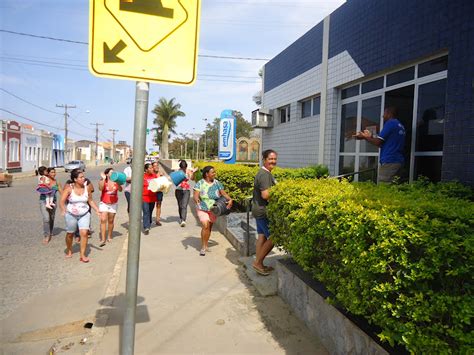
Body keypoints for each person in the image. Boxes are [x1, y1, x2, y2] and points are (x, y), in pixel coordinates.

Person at [354, 106, 406, 183]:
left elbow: (378, 142)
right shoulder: (400, 125)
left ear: (389, 114)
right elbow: (382, 144)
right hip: (398, 161)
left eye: (384, 113)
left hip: (389, 161)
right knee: (393, 188)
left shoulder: (390, 124)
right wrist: (370, 137)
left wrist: (365, 137)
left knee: (383, 188)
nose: (382, 116)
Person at [60, 169, 100, 263]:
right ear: (75, 179)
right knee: (70, 234)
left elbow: (90, 200)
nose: (83, 178)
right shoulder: (69, 189)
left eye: (83, 176)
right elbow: (62, 201)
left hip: (84, 214)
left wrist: (97, 210)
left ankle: (82, 255)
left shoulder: (87, 188)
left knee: (84, 233)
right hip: (71, 214)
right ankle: (69, 250)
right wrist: (63, 209)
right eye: (81, 177)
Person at [193, 166, 232, 256]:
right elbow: (195, 195)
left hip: (214, 209)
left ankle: (206, 244)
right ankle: (203, 247)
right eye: (212, 172)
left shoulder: (217, 183)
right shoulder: (200, 183)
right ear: (207, 174)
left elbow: (223, 193)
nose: (214, 174)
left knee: (209, 227)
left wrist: (230, 199)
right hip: (202, 207)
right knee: (205, 225)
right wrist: (196, 200)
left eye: (215, 172)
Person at [252, 149, 278, 276]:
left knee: (262, 236)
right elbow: (266, 195)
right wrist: (279, 193)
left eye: (274, 159)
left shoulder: (264, 173)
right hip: (263, 211)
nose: (273, 161)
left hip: (258, 209)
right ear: (264, 160)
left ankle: (259, 263)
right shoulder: (265, 174)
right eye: (270, 159)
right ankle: (257, 263)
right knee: (274, 237)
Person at [98, 167, 122, 247]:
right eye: (111, 172)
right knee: (103, 220)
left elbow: (121, 189)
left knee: (111, 221)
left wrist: (117, 182)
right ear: (107, 174)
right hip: (104, 203)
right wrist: (103, 179)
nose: (113, 174)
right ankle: (103, 239)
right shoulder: (103, 181)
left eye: (113, 172)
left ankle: (110, 235)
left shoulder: (116, 182)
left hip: (113, 203)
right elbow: (100, 188)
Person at [38, 167, 62, 244]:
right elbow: (40, 186)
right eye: (51, 172)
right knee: (46, 218)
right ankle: (46, 235)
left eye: (54, 172)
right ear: (48, 173)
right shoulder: (44, 179)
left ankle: (50, 231)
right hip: (43, 201)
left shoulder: (57, 182)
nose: (53, 174)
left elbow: (62, 192)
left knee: (52, 217)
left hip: (53, 201)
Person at [175, 160, 196, 227]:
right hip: (178, 190)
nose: (183, 169)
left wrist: (193, 173)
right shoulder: (177, 171)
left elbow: (192, 179)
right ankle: (181, 217)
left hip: (186, 190)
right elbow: (175, 181)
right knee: (180, 205)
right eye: (182, 168)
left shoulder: (188, 171)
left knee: (184, 205)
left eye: (184, 168)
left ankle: (183, 220)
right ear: (180, 167)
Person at [142, 163, 158, 234]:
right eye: (150, 168)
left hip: (152, 197)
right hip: (144, 197)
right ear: (146, 169)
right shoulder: (142, 177)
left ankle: (149, 222)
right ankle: (146, 227)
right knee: (146, 211)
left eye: (152, 168)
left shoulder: (154, 176)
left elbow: (158, 185)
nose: (152, 169)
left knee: (150, 211)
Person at [152, 161, 163, 226]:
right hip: (152, 192)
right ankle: (149, 219)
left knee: (159, 205)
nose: (156, 167)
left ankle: (157, 220)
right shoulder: (150, 174)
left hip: (159, 192)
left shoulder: (161, 174)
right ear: (152, 167)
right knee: (151, 206)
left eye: (157, 166)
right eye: (154, 166)